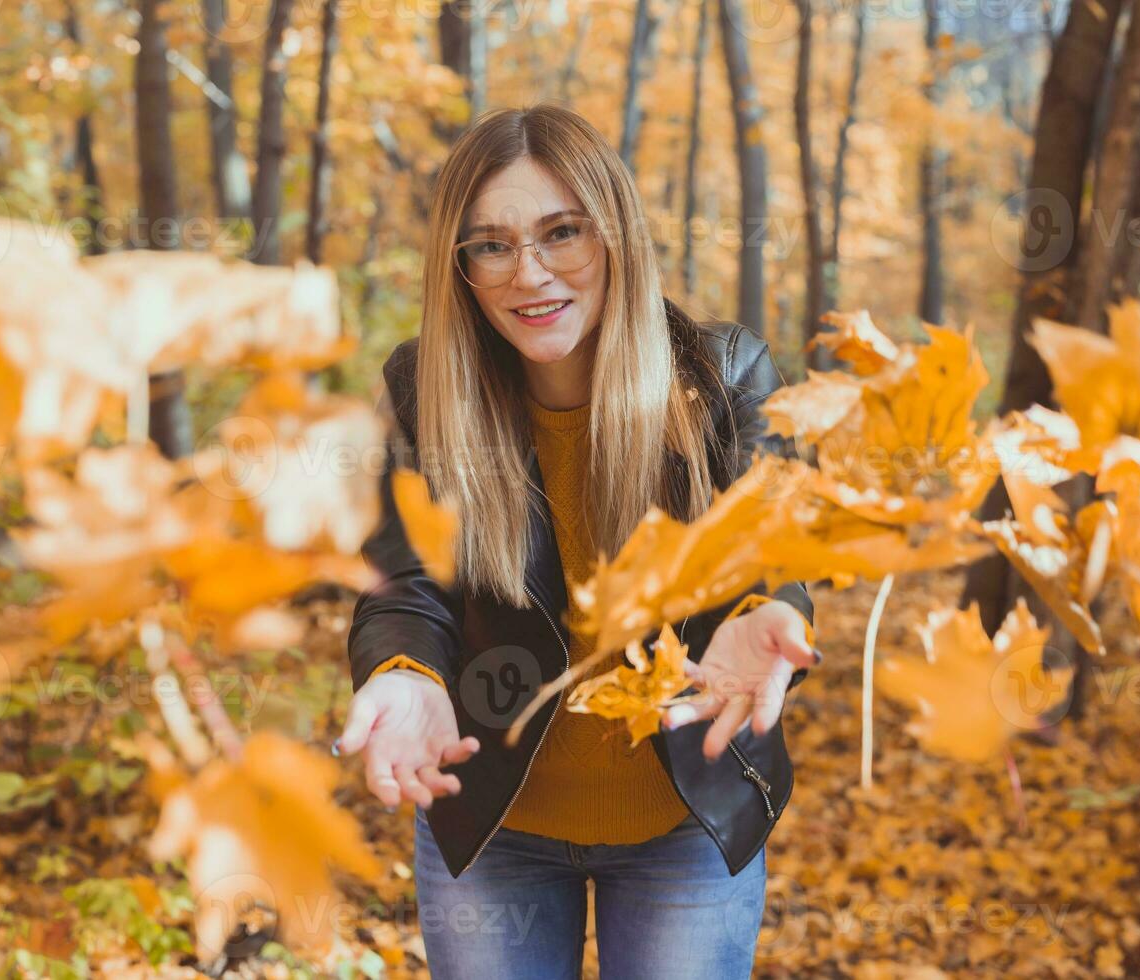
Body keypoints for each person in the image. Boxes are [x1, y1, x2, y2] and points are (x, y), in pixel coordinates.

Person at [338, 102, 817, 980]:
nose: (531, 273)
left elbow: (772, 543)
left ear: (616, 235)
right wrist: (402, 674)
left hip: (686, 828)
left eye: (563, 232)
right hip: (494, 826)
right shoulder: (423, 389)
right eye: (491, 244)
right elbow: (403, 581)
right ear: (461, 266)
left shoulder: (726, 374)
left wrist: (764, 608)